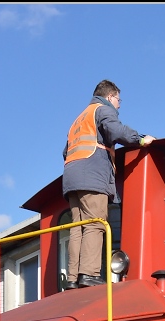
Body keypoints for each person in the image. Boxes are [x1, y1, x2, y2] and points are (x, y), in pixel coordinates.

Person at [62, 80, 154, 289]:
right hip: (92, 175)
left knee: (78, 229)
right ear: (111, 96)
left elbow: (65, 151)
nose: (119, 105)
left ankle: (72, 278)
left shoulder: (79, 119)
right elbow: (115, 130)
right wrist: (139, 139)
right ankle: (90, 274)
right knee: (95, 223)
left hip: (71, 178)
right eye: (119, 100)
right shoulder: (103, 110)